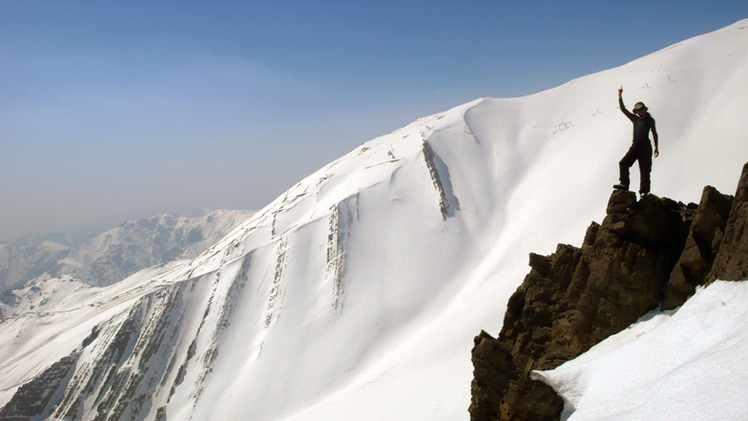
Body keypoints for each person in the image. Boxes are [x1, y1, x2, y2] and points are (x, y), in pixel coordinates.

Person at [614, 86, 659, 196]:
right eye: (638, 110)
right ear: (636, 112)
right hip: (635, 146)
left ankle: (644, 192)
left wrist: (656, 147)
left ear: (645, 109)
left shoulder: (650, 120)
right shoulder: (635, 119)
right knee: (623, 163)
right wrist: (620, 96)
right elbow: (623, 109)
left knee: (645, 171)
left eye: (641, 109)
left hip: (645, 148)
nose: (640, 112)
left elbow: (654, 132)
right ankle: (624, 184)